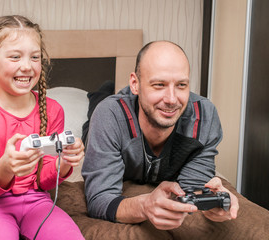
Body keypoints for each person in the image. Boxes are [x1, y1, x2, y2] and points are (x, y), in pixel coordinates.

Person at [0, 15, 85, 240]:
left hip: (37, 202)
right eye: (14, 57)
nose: (26, 66)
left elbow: (45, 182)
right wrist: (6, 166)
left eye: (35, 57)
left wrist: (65, 162)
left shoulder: (53, 110)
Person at [82, 40, 239, 230]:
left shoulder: (204, 117)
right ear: (135, 83)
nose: (172, 99)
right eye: (159, 85)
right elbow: (100, 199)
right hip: (106, 115)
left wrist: (211, 200)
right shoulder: (110, 115)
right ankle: (100, 92)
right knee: (98, 106)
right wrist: (144, 206)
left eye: (181, 85)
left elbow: (192, 189)